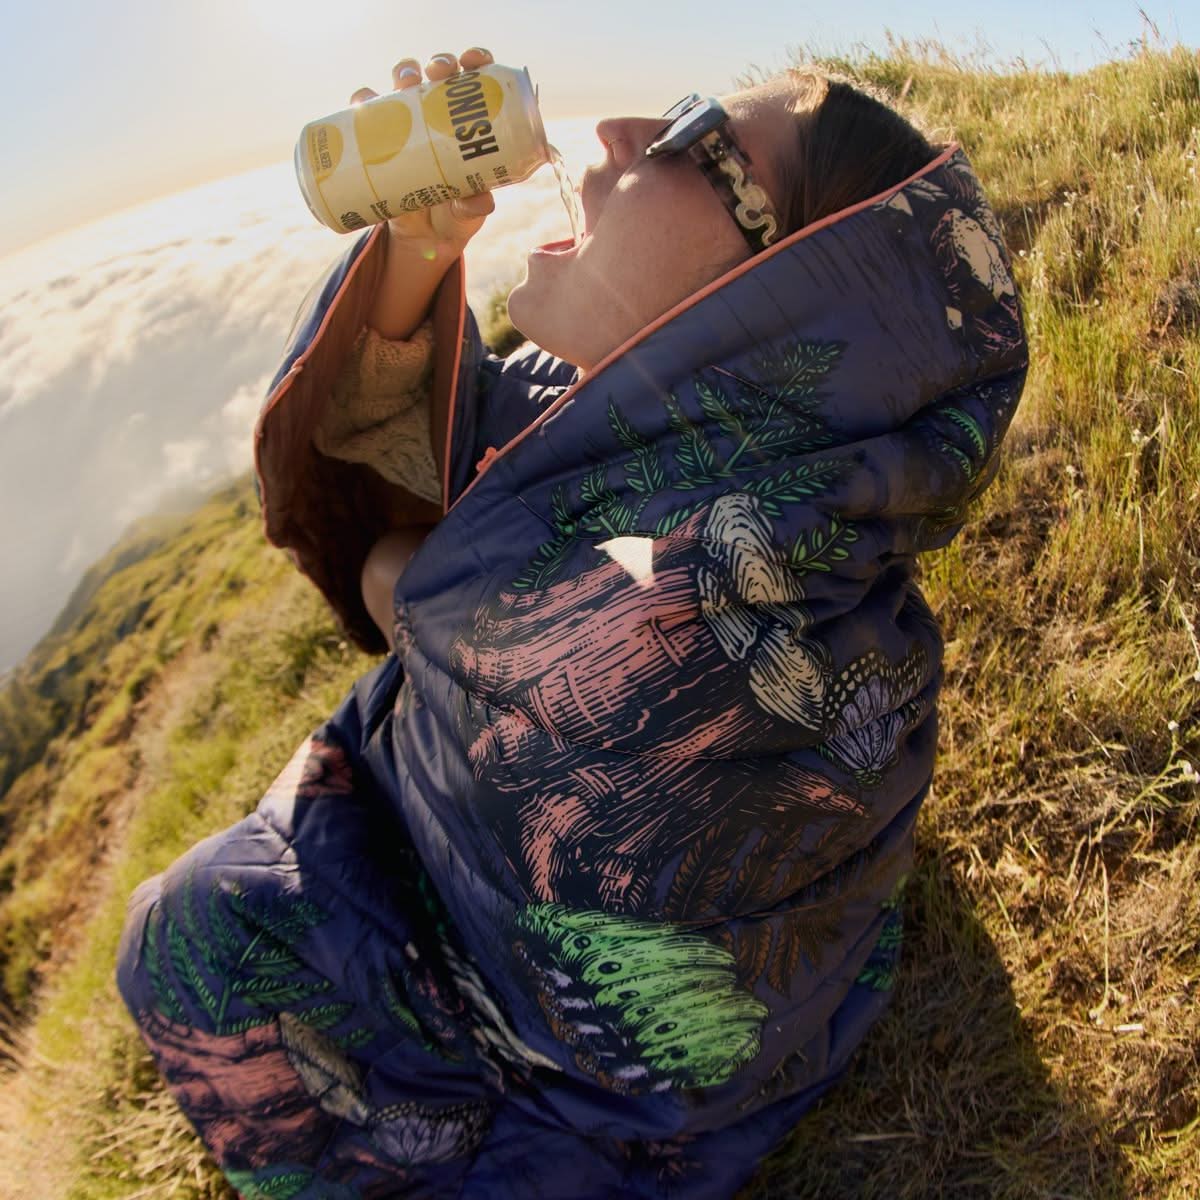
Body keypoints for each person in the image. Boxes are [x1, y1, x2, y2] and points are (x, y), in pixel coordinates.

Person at [116, 46, 1027, 1200]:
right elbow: (458, 470)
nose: (616, 132)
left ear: (785, 290)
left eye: (694, 136)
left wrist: (404, 575)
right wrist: (419, 248)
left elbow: (417, 566)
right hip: (652, 892)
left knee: (192, 935)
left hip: (572, 1048)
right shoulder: (722, 464)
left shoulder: (666, 608)